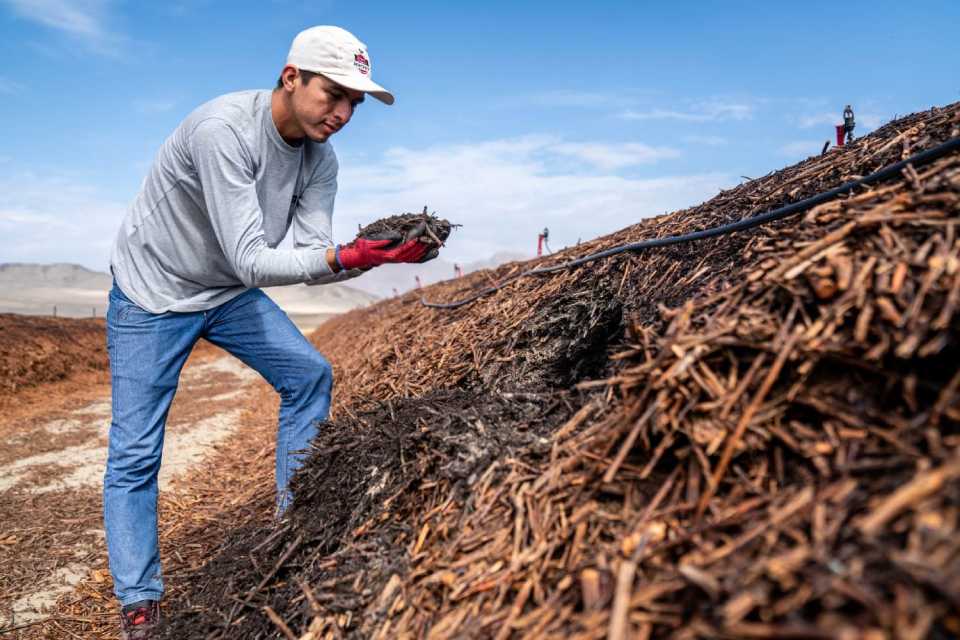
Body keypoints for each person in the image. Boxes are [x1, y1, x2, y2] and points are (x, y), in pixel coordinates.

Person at [103, 25, 433, 639]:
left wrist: (370, 252)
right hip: (153, 292)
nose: (341, 113)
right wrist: (353, 257)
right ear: (291, 78)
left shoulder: (319, 159)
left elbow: (311, 255)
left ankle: (294, 527)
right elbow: (256, 258)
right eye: (332, 94)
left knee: (309, 375)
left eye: (353, 104)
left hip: (224, 291)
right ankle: (140, 603)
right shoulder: (222, 131)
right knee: (135, 451)